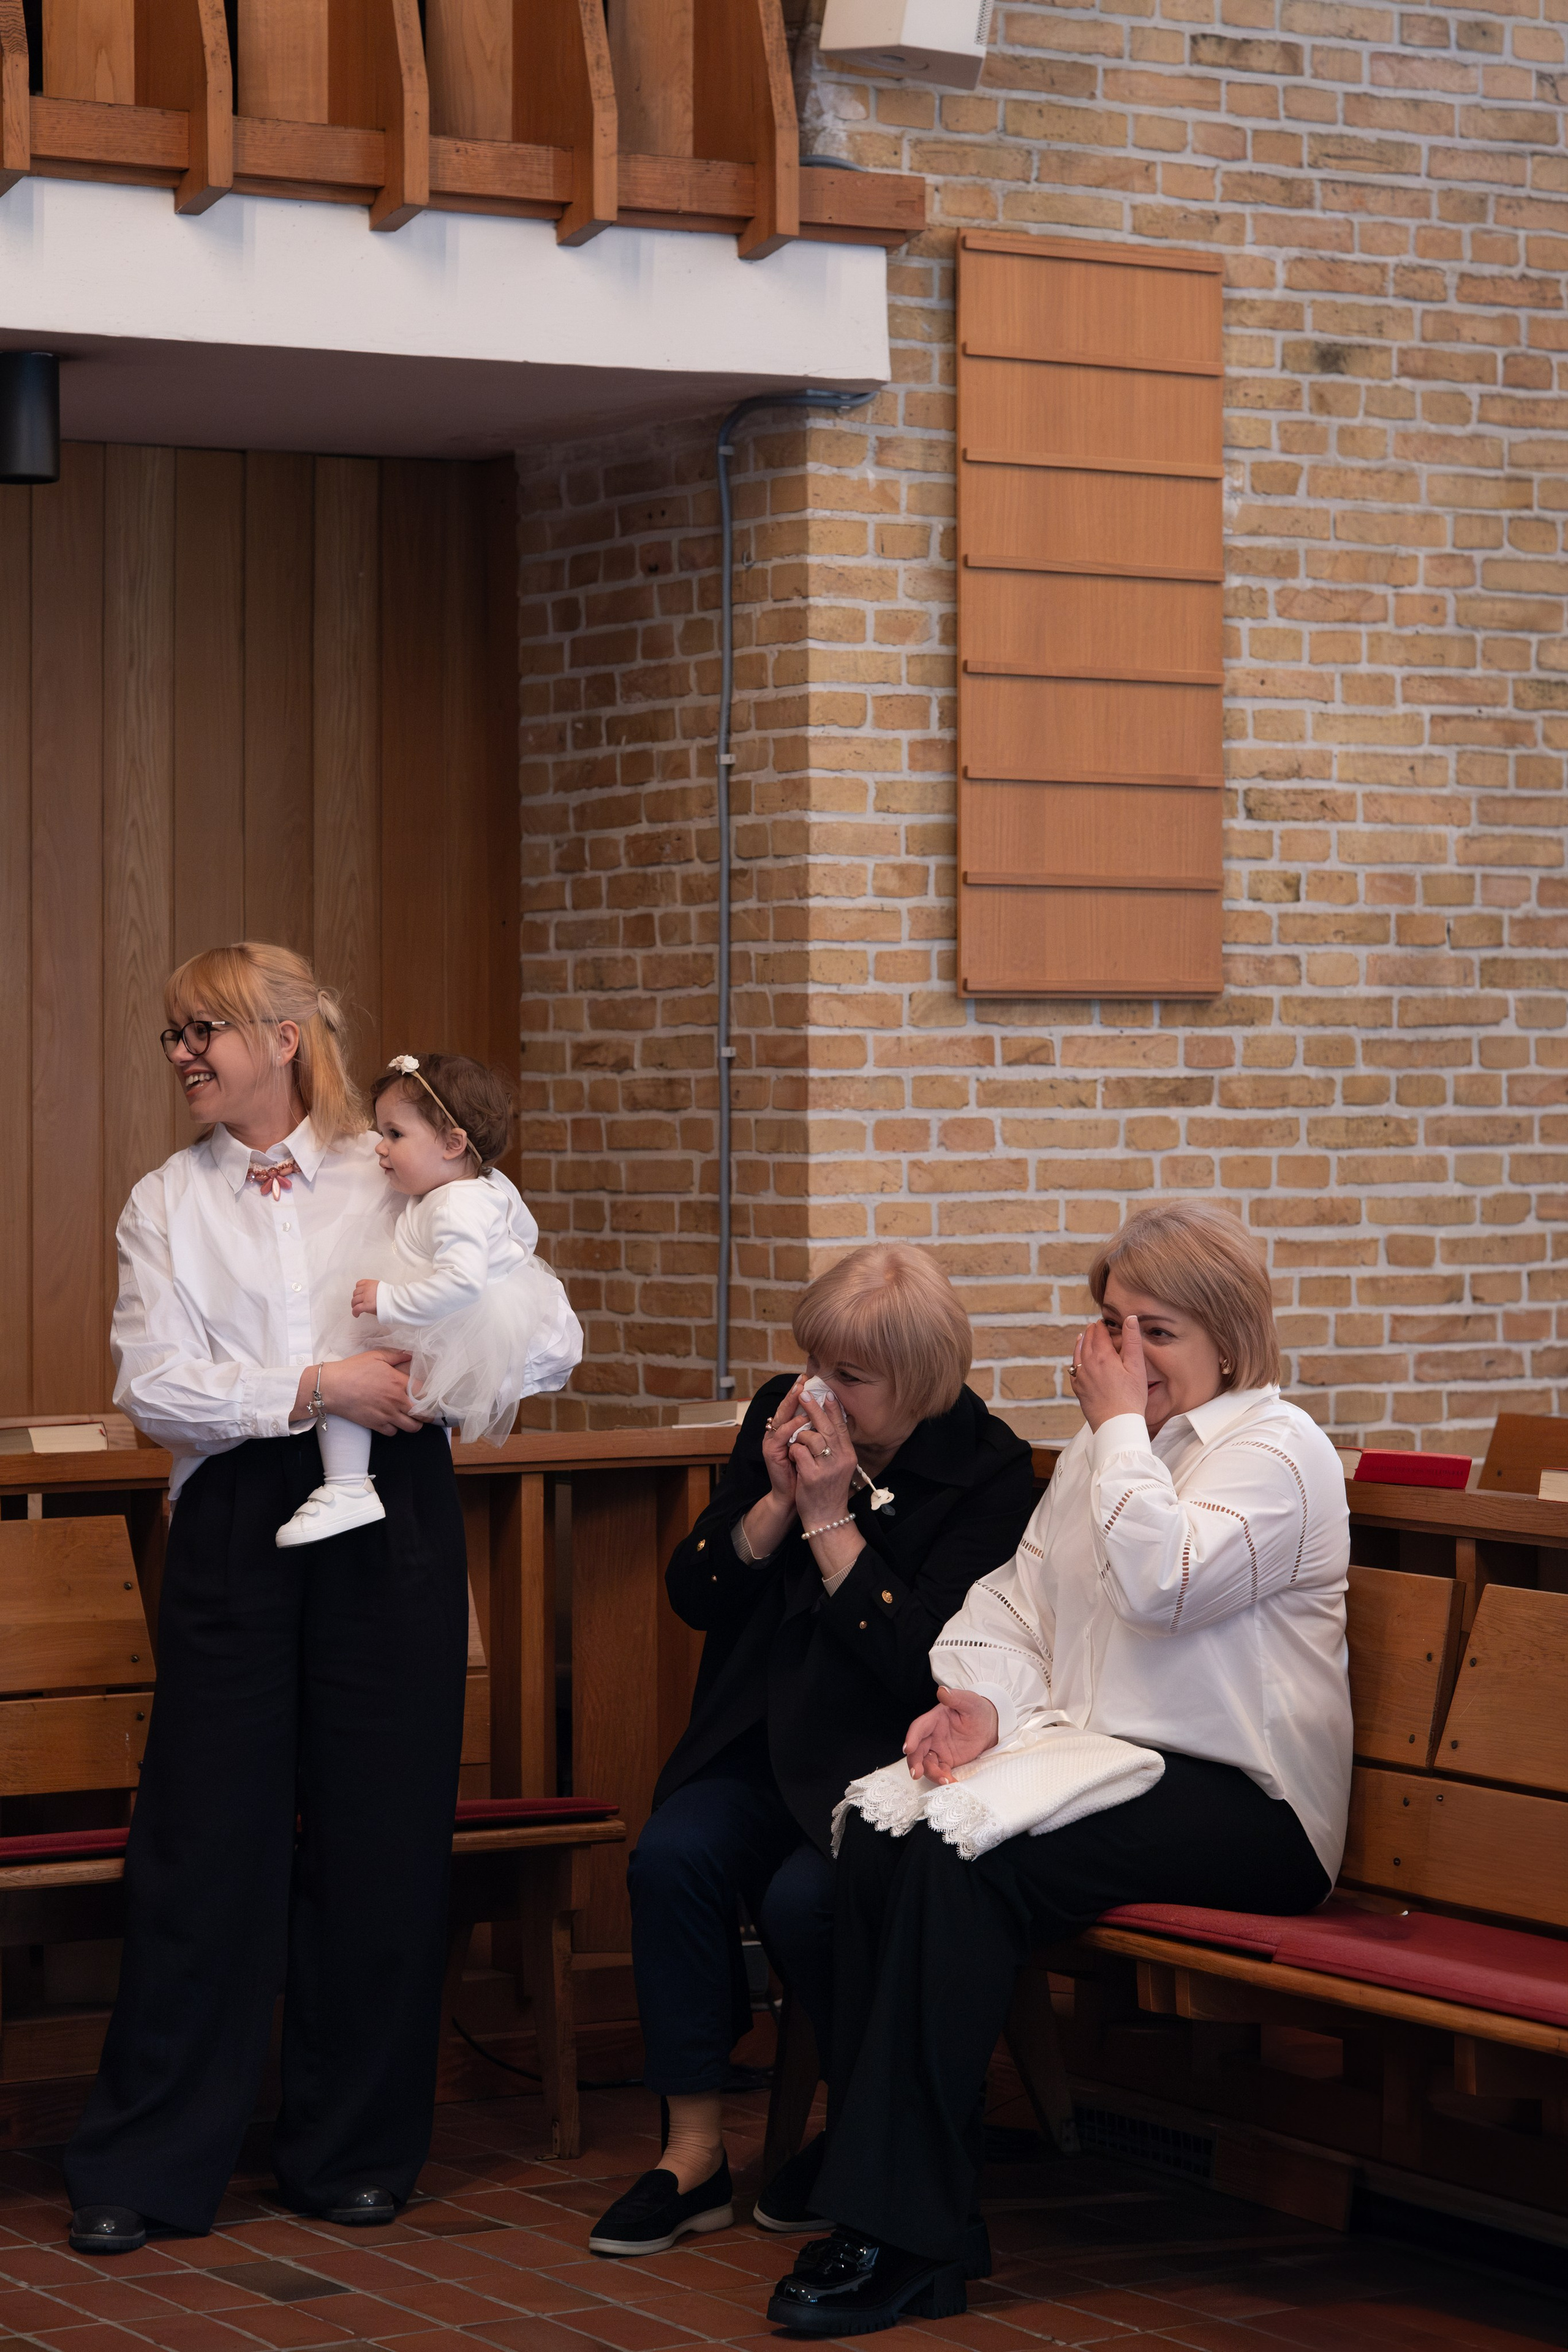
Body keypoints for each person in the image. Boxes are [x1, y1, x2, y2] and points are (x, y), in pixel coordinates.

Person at [768, 1200, 1351, 2337]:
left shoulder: (1279, 1451)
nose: (1124, 1355)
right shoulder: (1102, 1454)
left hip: (1250, 1800)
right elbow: (1017, 1604)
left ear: (1229, 1340)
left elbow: (1161, 1584)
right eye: (1112, 1325)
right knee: (892, 1840)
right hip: (1105, 1764)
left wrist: (1119, 1427)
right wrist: (980, 1702)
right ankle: (912, 2210)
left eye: (1158, 1332)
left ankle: (903, 2236)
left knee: (963, 1865)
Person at [63, 944, 488, 2254]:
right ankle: (146, 2165)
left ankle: (354, 2153)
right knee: (201, 1845)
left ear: (289, 1035)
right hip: (243, 1516)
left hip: (395, 1517)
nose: (184, 1052)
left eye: (208, 1029)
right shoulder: (164, 1203)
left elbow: (484, 1322)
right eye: (174, 1034)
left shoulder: (393, 1170)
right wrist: (316, 1386)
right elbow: (155, 1388)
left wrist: (433, 1381)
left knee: (381, 1836)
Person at [587, 1245, 1037, 2260]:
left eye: (851, 1376)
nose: (818, 1392)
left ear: (918, 1383)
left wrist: (833, 1518)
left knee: (806, 1902)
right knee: (672, 1858)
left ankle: (862, 2137)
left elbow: (923, 1663)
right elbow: (696, 1591)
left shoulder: (989, 1474)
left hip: (884, 1760)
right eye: (813, 1361)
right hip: (760, 1739)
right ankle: (692, 2158)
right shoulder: (780, 1414)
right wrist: (781, 1501)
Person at [275, 1050, 581, 1546]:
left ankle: (348, 1487)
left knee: (342, 1364)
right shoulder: (480, 1188)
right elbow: (525, 1232)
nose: (380, 1148)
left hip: (453, 1317)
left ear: (452, 1143)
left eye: (395, 1135)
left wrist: (389, 1299)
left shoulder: (455, 1206)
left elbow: (461, 1283)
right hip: (451, 1317)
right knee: (354, 1374)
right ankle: (349, 1487)